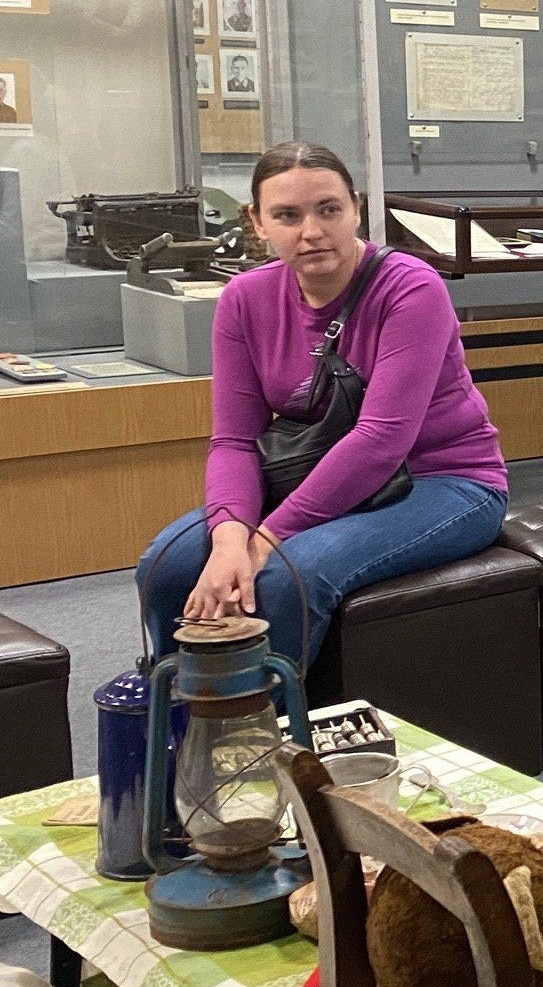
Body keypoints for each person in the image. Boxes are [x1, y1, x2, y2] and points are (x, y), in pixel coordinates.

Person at [137, 143, 508, 671]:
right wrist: (228, 539)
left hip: (443, 479)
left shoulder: (410, 288)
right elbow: (234, 441)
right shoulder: (245, 298)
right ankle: (182, 720)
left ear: (356, 208)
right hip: (313, 474)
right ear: (258, 222)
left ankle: (273, 734)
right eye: (287, 215)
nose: (311, 231)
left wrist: (266, 535)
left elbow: (380, 441)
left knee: (288, 573)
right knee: (167, 567)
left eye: (328, 210)